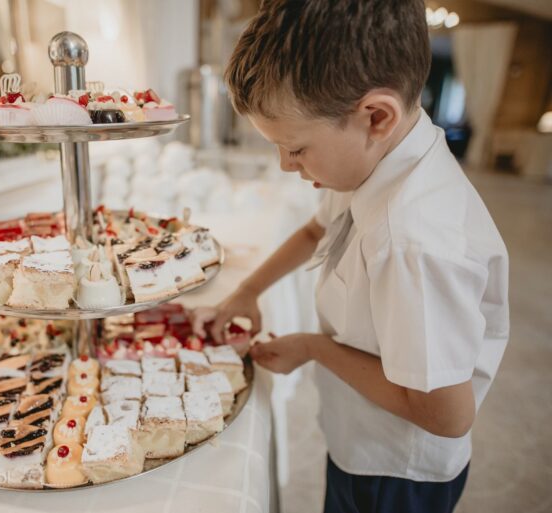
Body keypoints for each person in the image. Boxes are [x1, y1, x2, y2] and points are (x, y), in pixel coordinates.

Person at [194, 1, 510, 512]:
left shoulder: (415, 243)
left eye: (296, 149)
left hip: (396, 470)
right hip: (361, 437)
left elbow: (448, 416)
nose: (284, 165)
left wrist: (316, 348)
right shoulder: (377, 153)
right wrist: (248, 290)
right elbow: (316, 228)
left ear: (375, 116)